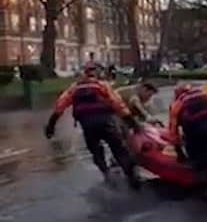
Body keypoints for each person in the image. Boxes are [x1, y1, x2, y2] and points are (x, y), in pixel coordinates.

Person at [44, 62, 142, 190]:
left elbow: (59, 106)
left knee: (95, 151)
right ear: (97, 73)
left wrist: (51, 126)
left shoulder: (74, 88)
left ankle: (106, 173)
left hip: (88, 125)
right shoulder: (102, 85)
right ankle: (131, 177)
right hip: (106, 122)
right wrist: (133, 123)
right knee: (118, 148)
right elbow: (118, 104)